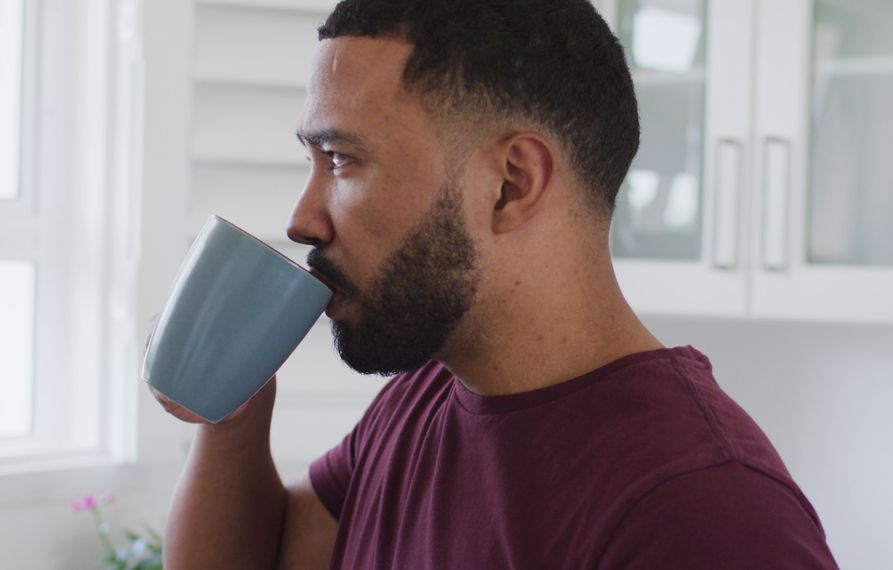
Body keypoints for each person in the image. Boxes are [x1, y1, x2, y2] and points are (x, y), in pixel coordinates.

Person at [151, 0, 839, 568]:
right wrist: (232, 417)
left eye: (342, 161)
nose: (303, 219)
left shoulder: (704, 514)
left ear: (511, 184)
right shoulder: (421, 401)